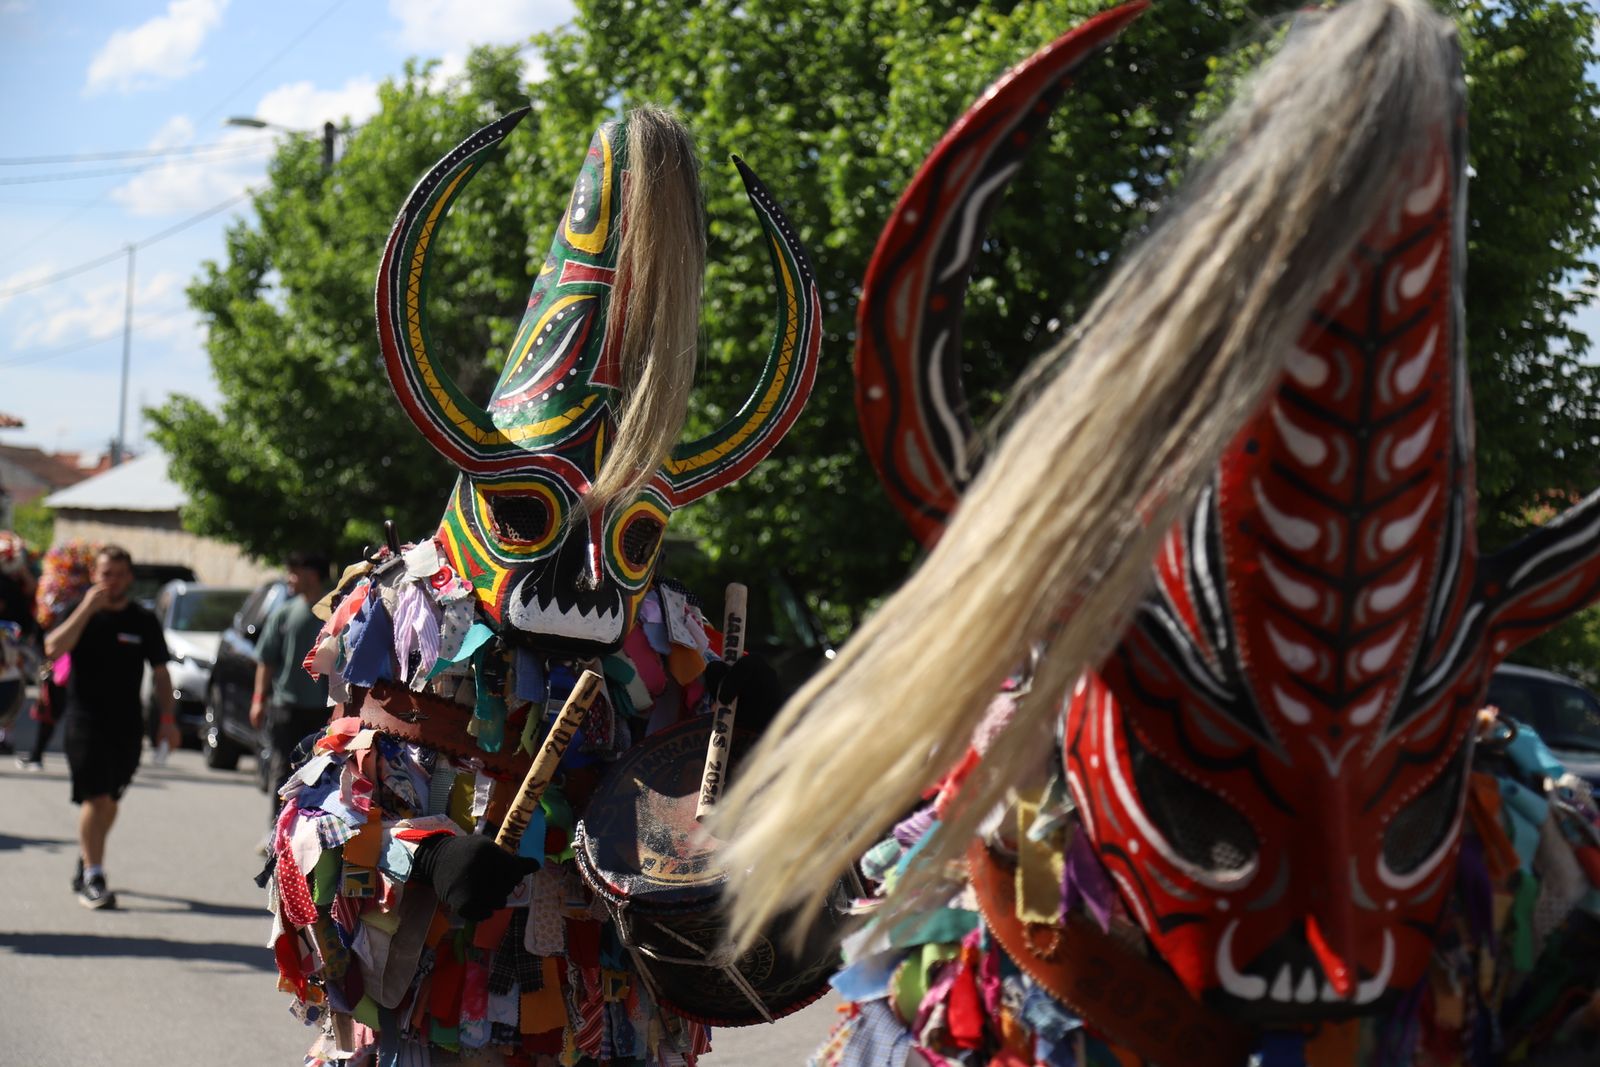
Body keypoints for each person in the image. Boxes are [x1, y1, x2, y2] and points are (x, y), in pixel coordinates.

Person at [716, 1, 1600, 1065]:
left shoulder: (1519, 883)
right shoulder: (1013, 849)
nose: (1328, 955)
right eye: (1204, 805)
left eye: (1404, 813)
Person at [262, 104, 823, 1065]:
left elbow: (699, 802)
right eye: (532, 516)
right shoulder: (415, 613)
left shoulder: (672, 632)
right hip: (443, 1003)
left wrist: (761, 733)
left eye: (633, 527)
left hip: (608, 1004)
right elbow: (324, 805)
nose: (590, 572)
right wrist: (423, 853)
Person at [45, 544, 177, 909]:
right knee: (96, 796)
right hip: (84, 720)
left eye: (119, 574)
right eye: (105, 574)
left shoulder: (142, 620)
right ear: (95, 576)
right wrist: (87, 608)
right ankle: (94, 876)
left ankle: (88, 856)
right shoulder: (79, 612)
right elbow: (53, 648)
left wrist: (167, 720)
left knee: (111, 798)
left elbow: (162, 672)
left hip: (127, 726)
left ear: (129, 578)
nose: (112, 581)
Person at [250, 549, 330, 831]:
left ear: (311, 575)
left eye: (294, 573)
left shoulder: (335, 612)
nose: (290, 579)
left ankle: (311, 831)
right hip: (286, 708)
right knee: (282, 771)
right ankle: (277, 831)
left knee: (321, 773)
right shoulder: (283, 614)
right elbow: (266, 661)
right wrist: (259, 700)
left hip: (324, 711)